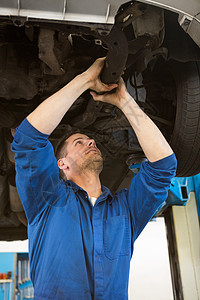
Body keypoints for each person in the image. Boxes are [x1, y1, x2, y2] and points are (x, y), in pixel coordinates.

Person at [11, 57, 177, 300]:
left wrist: (124, 100)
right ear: (62, 164)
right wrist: (85, 80)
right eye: (79, 142)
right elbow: (28, 140)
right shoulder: (47, 199)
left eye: (91, 141)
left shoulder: (125, 212)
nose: (91, 141)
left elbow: (163, 167)